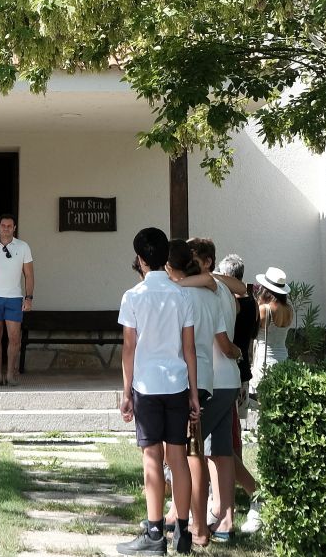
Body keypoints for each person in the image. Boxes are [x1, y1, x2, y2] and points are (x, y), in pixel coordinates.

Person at [117, 225, 198, 555]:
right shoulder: (182, 295)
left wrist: (126, 392)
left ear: (140, 259)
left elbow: (128, 348)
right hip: (177, 383)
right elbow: (189, 348)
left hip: (147, 385)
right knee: (178, 458)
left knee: (152, 457)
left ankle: (154, 534)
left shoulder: (133, 296)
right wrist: (194, 393)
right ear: (166, 257)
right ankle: (183, 532)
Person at [182, 238, 240, 544]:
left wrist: (235, 351)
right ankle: (226, 519)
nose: (187, 264)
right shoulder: (224, 289)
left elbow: (222, 341)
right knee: (220, 451)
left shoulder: (209, 289)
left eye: (193, 258)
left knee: (192, 451)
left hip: (212, 381)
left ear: (206, 262)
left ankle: (192, 517)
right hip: (227, 379)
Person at [241, 265, 293, 536]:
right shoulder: (289, 309)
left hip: (266, 364)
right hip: (283, 359)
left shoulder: (265, 310)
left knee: (263, 410)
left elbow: (254, 335)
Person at [217, 254, 261, 505]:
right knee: (234, 433)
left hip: (233, 369)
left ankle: (237, 485)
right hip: (242, 370)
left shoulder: (237, 304)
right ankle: (235, 483)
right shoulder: (251, 301)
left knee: (229, 435)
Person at [0, 213, 35, 387]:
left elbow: (29, 275)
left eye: (9, 226)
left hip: (14, 298)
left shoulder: (23, 247)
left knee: (14, 337)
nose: (6, 228)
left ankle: (10, 374)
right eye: (3, 225)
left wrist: (29, 297)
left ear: (14, 228)